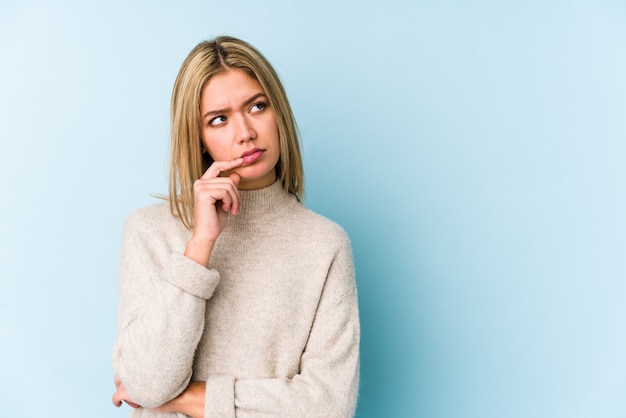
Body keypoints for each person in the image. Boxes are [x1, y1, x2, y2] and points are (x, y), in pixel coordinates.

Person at [111, 35, 360, 418]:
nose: (244, 132)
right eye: (219, 119)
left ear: (279, 114)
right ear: (199, 139)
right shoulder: (150, 231)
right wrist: (200, 245)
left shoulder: (324, 243)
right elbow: (147, 384)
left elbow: (329, 405)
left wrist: (192, 399)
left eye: (257, 106)